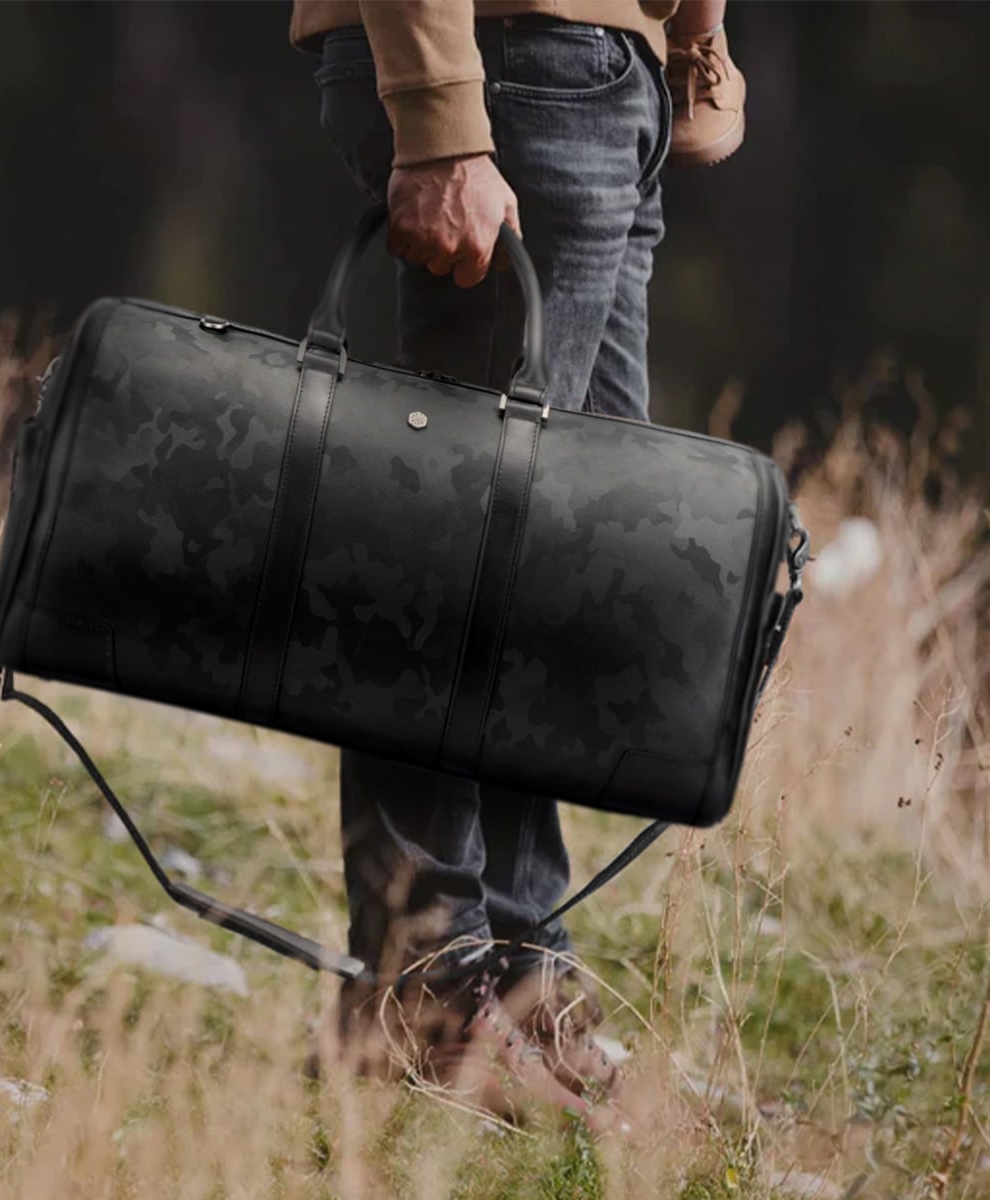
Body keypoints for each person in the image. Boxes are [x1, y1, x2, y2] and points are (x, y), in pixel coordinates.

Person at [290, 0, 745, 1129]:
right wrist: (444, 113)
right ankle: (429, 996)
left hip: (595, 74)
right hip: (513, 56)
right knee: (462, 558)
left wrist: (687, 45)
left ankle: (521, 983)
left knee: (545, 581)